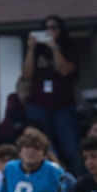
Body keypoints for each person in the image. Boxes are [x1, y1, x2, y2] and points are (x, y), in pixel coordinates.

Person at [22, 15, 81, 172]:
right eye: (46, 28)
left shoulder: (68, 48)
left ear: (61, 30)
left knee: (70, 147)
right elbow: (26, 75)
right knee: (44, 146)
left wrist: (54, 47)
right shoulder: (37, 50)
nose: (50, 31)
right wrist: (31, 49)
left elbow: (64, 70)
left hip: (63, 106)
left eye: (54, 28)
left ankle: (75, 179)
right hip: (38, 105)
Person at [0, 77, 32, 143]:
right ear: (17, 91)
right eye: (21, 91)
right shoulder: (12, 98)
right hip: (8, 135)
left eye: (27, 91)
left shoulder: (33, 103)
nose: (24, 95)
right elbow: (13, 114)